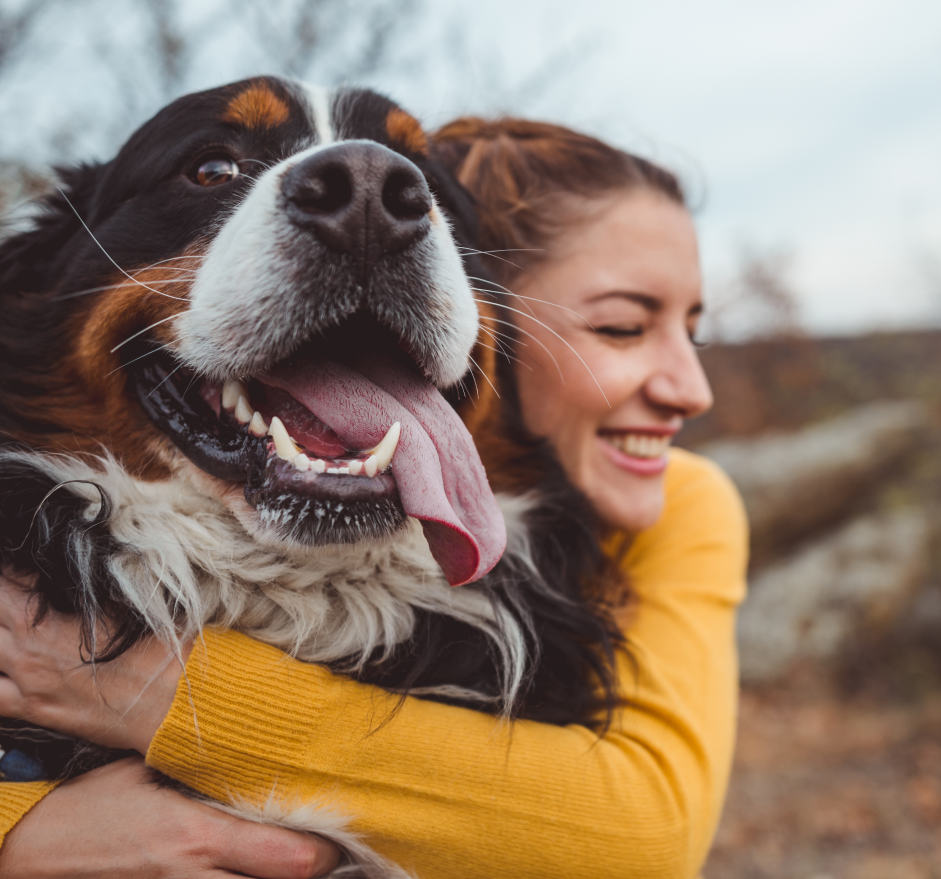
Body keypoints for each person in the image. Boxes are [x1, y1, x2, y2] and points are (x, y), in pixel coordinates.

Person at [0, 118, 748, 879]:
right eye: (622, 326)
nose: (692, 390)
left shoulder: (680, 503)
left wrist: (163, 695)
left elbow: (646, 834)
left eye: (695, 329)